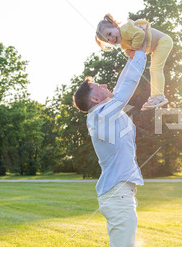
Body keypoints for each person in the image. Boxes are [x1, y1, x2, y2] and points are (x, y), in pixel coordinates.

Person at [72, 33, 148, 247]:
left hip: (119, 194)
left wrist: (132, 58)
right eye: (100, 87)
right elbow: (127, 87)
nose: (106, 85)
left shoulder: (104, 113)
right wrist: (142, 51)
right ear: (95, 99)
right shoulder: (102, 114)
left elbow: (123, 82)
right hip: (117, 194)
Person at [95, 13, 173, 111]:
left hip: (162, 41)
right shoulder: (123, 41)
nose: (111, 39)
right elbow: (132, 53)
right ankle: (155, 96)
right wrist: (129, 51)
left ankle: (159, 95)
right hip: (156, 47)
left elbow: (140, 35)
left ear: (115, 26)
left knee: (156, 68)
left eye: (110, 34)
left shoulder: (126, 29)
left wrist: (133, 47)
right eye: (108, 40)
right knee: (153, 69)